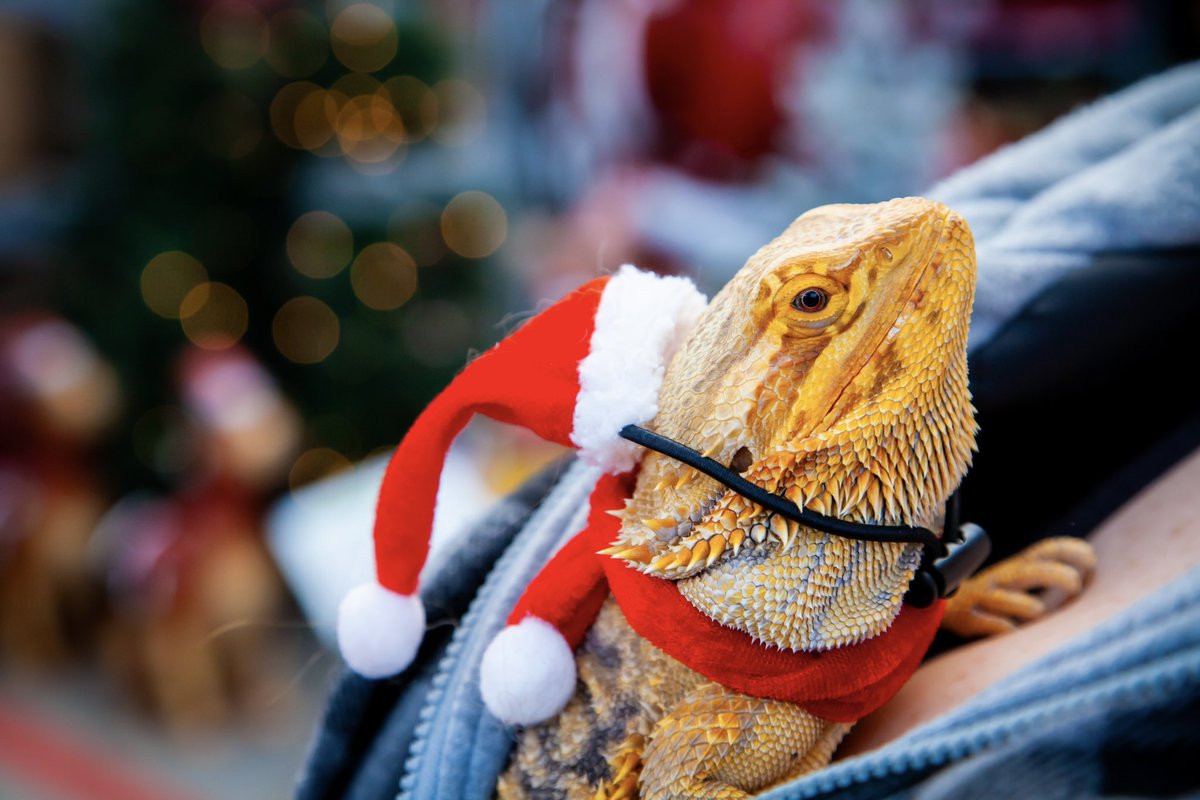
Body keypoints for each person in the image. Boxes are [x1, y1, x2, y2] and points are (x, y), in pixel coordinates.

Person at [296, 62, 1200, 800]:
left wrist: (938, 602)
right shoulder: (727, 630)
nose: (919, 222)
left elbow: (817, 626)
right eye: (817, 304)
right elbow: (689, 777)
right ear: (758, 444)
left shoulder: (804, 567)